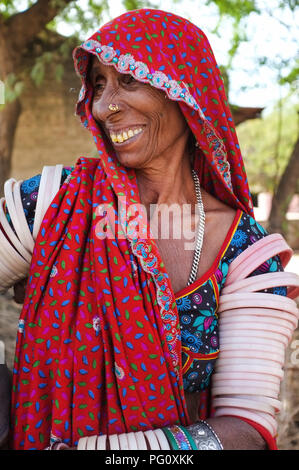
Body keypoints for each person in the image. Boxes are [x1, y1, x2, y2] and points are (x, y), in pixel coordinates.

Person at [0, 8, 298, 451]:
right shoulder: (51, 204)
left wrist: (107, 455)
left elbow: (247, 428)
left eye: (129, 80)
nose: (104, 105)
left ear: (185, 91)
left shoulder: (247, 254)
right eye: (98, 85)